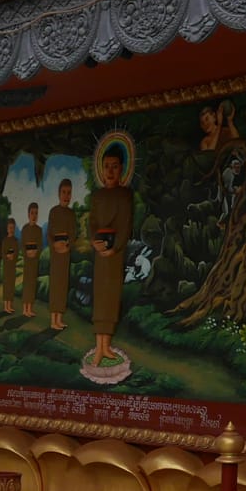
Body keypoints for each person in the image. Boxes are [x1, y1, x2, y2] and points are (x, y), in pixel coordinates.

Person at [89, 149, 134, 367]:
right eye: (106, 166)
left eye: (114, 166)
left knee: (111, 297)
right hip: (100, 254)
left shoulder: (125, 195)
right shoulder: (97, 196)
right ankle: (99, 347)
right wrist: (94, 242)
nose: (110, 171)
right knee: (100, 297)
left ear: (122, 169)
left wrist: (114, 249)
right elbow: (92, 224)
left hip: (115, 255)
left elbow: (125, 225)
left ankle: (106, 346)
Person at [46, 180, 76, 332]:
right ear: (59, 194)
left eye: (69, 192)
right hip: (56, 254)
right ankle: (53, 320)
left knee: (63, 285)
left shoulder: (71, 214)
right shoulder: (53, 211)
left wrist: (67, 246)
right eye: (64, 192)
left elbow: (73, 234)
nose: (66, 195)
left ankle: (59, 319)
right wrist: (55, 246)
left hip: (65, 253)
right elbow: (49, 234)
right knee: (55, 285)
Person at [21, 203, 44, 319]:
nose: (34, 216)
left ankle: (30, 309)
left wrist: (35, 253)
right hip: (27, 262)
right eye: (32, 213)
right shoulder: (25, 229)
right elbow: (22, 245)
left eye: (36, 213)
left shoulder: (39, 230)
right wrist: (27, 253)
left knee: (32, 285)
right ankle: (25, 309)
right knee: (27, 285)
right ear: (28, 214)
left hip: (34, 261)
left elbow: (40, 246)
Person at [0, 217, 20, 315]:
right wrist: (7, 256)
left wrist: (13, 256)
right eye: (9, 227)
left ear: (14, 228)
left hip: (13, 266)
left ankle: (10, 306)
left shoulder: (15, 240)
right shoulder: (5, 241)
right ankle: (6, 306)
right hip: (7, 266)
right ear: (7, 229)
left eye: (13, 228)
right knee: (6, 285)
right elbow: (3, 253)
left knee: (11, 285)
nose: (11, 229)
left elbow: (16, 252)